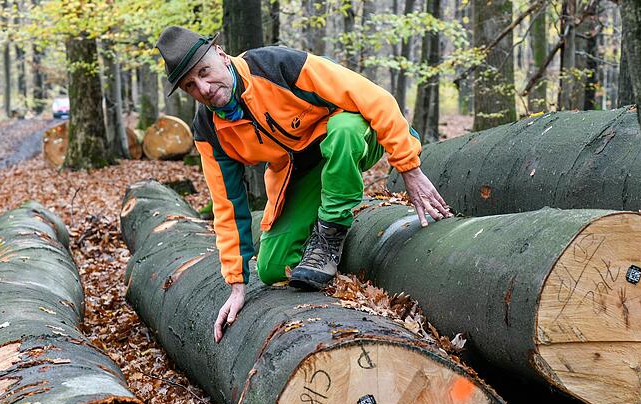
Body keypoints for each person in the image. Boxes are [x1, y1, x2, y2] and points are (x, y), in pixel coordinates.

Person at [155, 26, 452, 343]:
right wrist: (237, 284)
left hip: (355, 133)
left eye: (204, 72)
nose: (204, 87)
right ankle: (324, 218)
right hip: (300, 170)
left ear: (221, 56)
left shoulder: (277, 66)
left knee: (344, 131)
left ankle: (331, 233)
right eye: (191, 85)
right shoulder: (209, 130)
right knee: (272, 268)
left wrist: (409, 166)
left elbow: (372, 97)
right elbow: (227, 205)